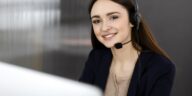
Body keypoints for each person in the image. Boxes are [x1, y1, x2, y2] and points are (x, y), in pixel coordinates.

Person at [79, 0, 175, 96]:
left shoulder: (161, 67)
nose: (104, 28)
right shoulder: (96, 57)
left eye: (113, 17)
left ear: (133, 20)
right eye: (97, 21)